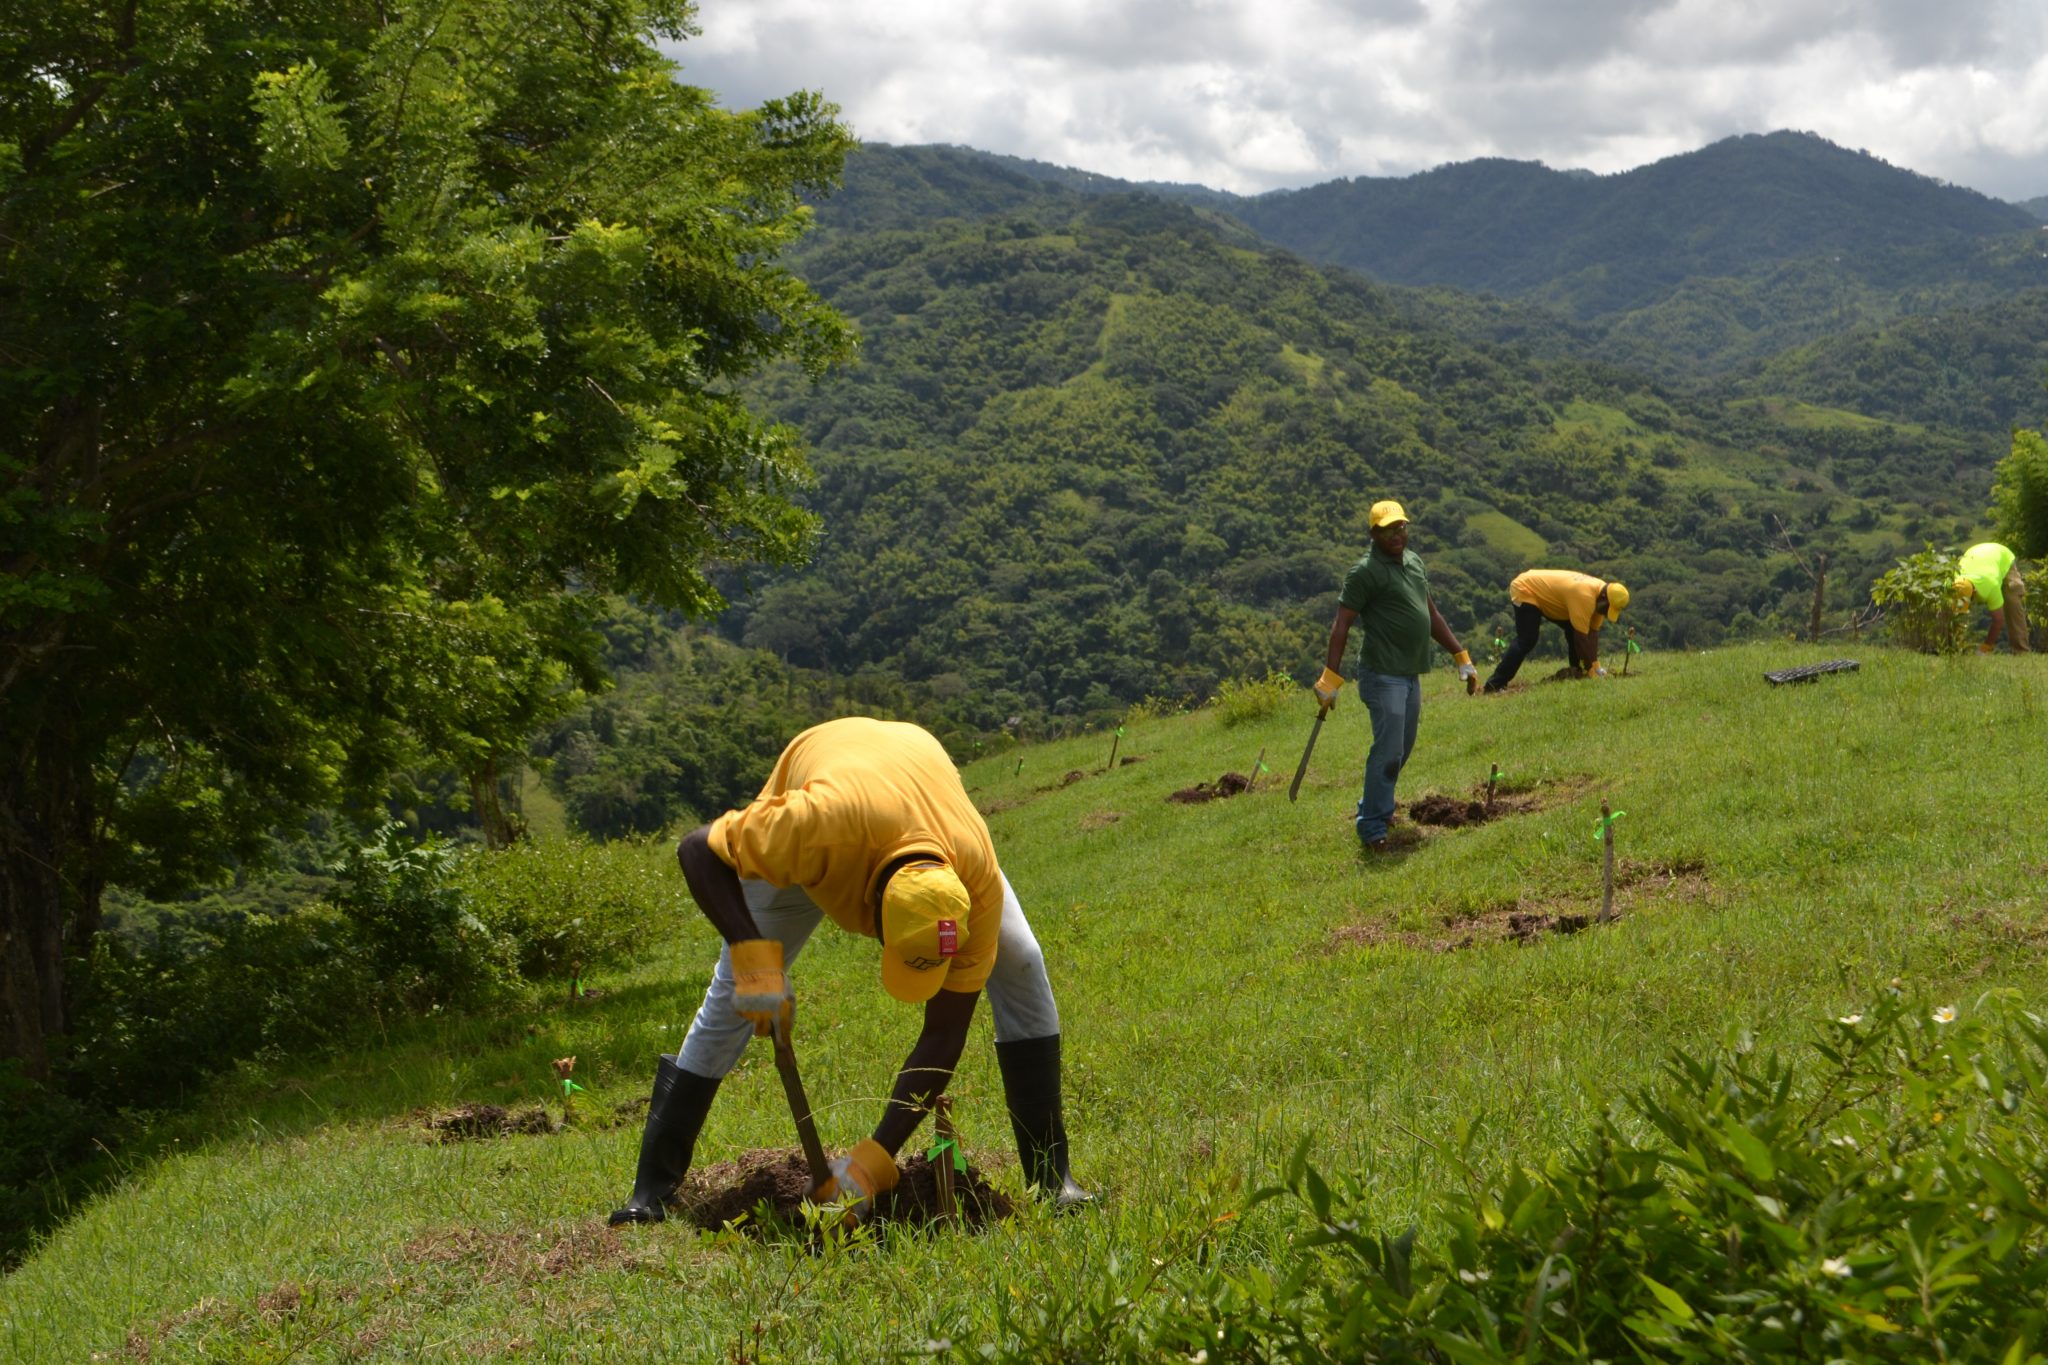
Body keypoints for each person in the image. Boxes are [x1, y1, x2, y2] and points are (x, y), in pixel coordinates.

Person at [609, 716, 1091, 1226]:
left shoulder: (974, 881)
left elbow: (944, 1031)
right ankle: (651, 1192)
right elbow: (697, 850)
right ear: (874, 912)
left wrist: (872, 1162)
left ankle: (1051, 1178)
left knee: (1023, 961)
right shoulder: (813, 825)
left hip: (917, 779)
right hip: (834, 800)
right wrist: (754, 955)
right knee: (734, 998)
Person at [1312, 500, 1477, 853]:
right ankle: (1372, 827)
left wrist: (1460, 655)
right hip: (1382, 673)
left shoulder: (1414, 562)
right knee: (1387, 751)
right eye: (1389, 529)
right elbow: (1342, 624)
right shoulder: (1364, 572)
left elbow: (1429, 611)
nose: (1397, 534)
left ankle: (1375, 806)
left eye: (1401, 527)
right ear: (1374, 533)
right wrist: (1330, 677)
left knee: (1402, 748)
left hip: (1409, 673)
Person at [1482, 570, 1631, 692]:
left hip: (1549, 598)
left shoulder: (1601, 596)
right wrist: (1591, 669)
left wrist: (1596, 666)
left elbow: (1592, 633)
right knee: (1527, 639)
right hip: (1526, 589)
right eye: (1607, 608)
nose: (1606, 612)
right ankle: (1494, 684)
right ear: (1604, 597)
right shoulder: (1585, 596)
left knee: (1574, 631)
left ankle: (1577, 672)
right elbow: (1581, 638)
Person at [1953, 542, 2030, 654]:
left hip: (2001, 555)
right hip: (1974, 553)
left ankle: (2021, 650)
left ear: (1974, 591)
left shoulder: (1991, 586)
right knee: (1952, 614)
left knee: (2012, 600)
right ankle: (1954, 649)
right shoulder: (1954, 582)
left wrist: (1986, 647)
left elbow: (1998, 620)